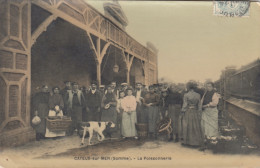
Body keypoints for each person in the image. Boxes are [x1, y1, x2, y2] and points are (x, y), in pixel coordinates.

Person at [179, 82, 204, 148]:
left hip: (188, 111)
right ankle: (196, 142)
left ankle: (187, 142)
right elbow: (199, 105)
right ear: (194, 88)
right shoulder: (198, 95)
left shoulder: (186, 95)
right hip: (195, 111)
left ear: (188, 88)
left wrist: (182, 111)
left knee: (187, 125)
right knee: (195, 126)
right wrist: (199, 112)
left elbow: (185, 105)